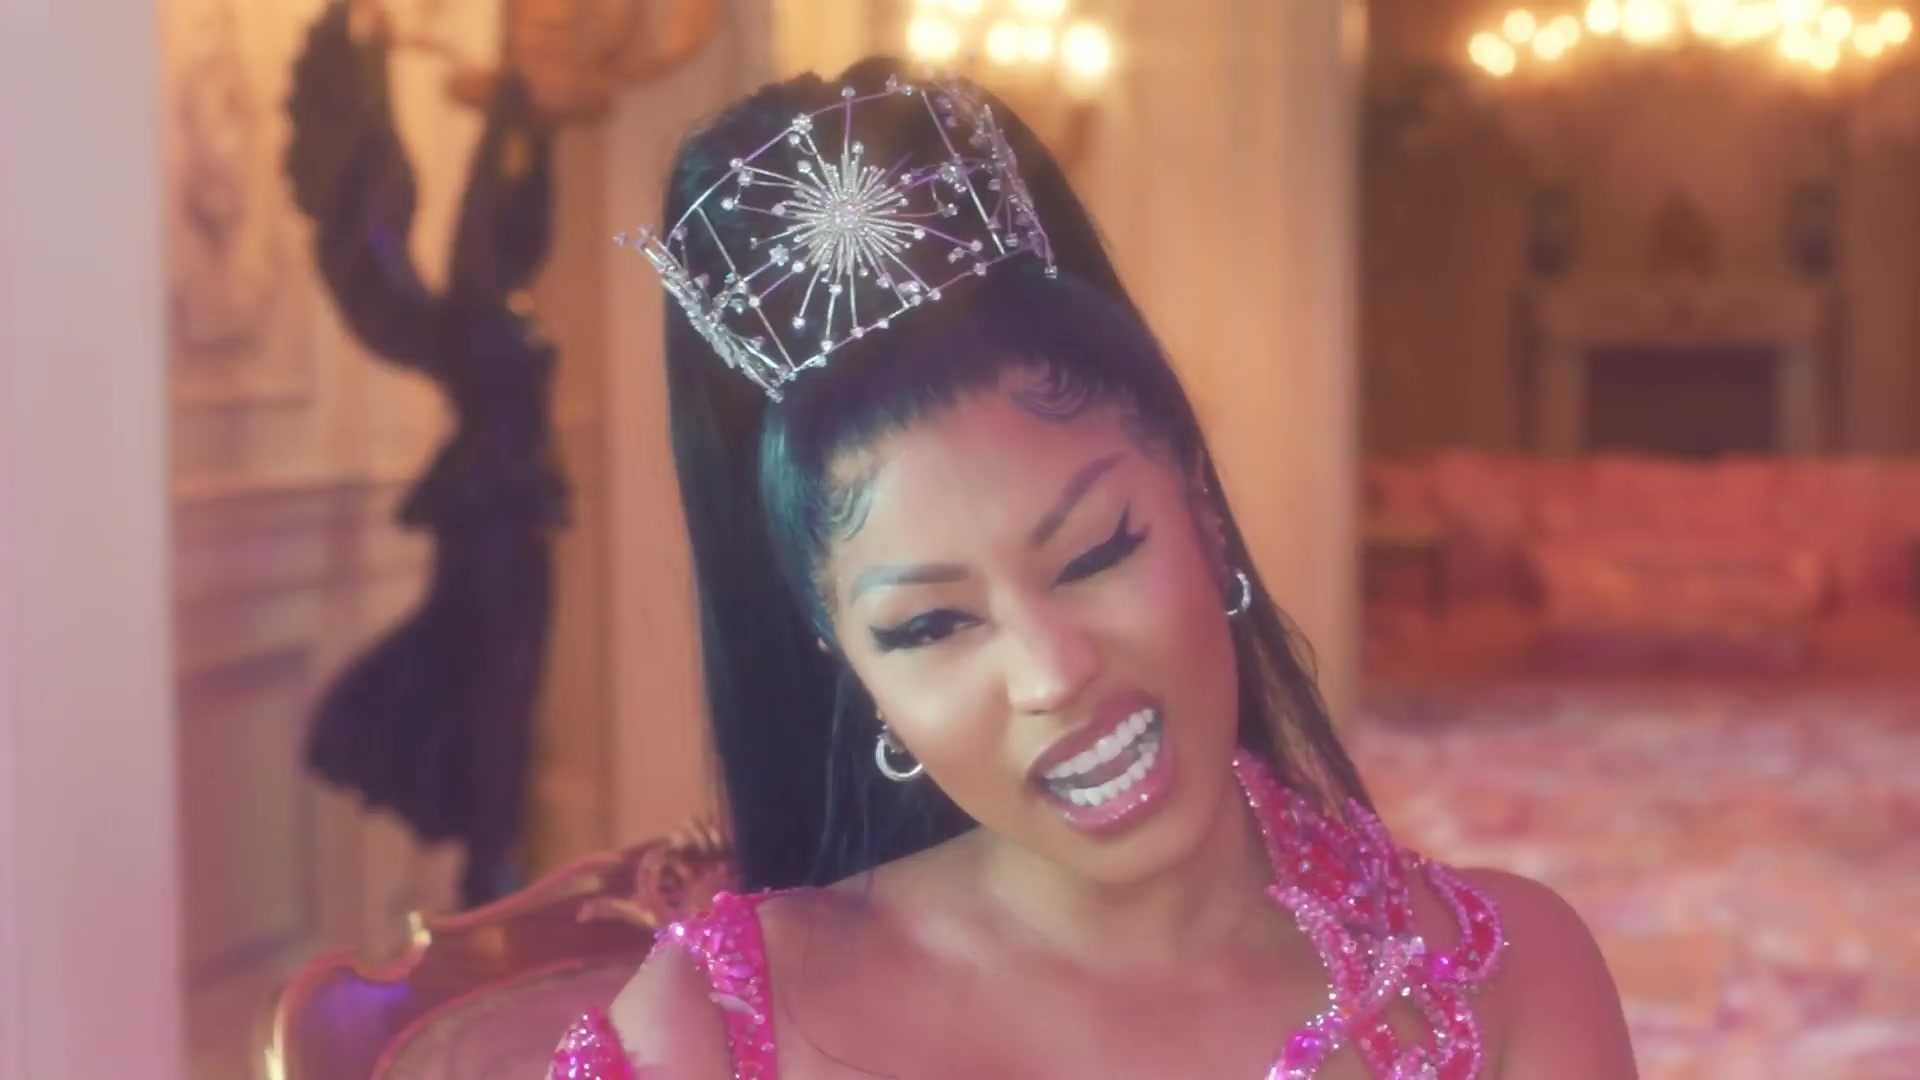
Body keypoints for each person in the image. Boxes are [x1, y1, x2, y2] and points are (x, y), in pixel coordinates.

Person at [550, 56, 1637, 1080]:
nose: (1052, 672)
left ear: (1202, 511)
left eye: (1095, 554)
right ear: (848, 660)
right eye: (932, 625)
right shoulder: (708, 1029)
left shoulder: (1508, 982)